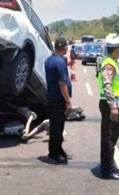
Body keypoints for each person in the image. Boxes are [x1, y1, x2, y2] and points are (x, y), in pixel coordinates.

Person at [97, 36, 119, 180]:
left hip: (115, 105)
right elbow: (107, 85)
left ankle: (110, 164)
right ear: (116, 50)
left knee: (113, 137)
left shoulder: (113, 63)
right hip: (111, 105)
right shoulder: (109, 65)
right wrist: (113, 106)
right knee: (109, 137)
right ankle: (107, 170)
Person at [44, 36, 73, 165]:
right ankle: (53, 154)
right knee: (57, 128)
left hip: (51, 97)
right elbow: (62, 84)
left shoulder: (49, 60)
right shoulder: (60, 62)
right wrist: (68, 102)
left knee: (57, 127)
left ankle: (59, 150)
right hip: (58, 100)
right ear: (64, 47)